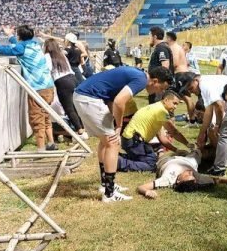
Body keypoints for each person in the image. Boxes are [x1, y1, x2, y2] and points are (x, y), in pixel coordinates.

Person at [73, 66, 173, 202]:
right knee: (113, 143)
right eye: (161, 88)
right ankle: (109, 194)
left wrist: (111, 122)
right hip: (89, 99)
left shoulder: (138, 75)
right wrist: (118, 126)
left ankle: (106, 185)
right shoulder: (141, 80)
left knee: (106, 142)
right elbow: (119, 102)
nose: (160, 92)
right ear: (155, 81)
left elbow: (111, 97)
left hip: (84, 96)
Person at [0, 24, 56, 151]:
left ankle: (41, 148)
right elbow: (19, 46)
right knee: (45, 115)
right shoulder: (36, 45)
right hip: (49, 86)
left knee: (36, 118)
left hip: (37, 88)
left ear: (20, 36)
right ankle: (51, 143)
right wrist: (10, 36)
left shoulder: (21, 48)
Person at [178, 73, 227, 160]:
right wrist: (201, 134)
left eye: (191, 88)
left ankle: (219, 168)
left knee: (224, 133)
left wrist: (218, 125)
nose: (191, 91)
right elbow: (209, 112)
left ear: (195, 80)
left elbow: (219, 106)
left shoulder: (205, 86)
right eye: (188, 90)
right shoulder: (204, 83)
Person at [118, 90, 190, 172]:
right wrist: (187, 144)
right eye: (174, 103)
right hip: (134, 141)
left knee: (151, 159)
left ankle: (118, 157)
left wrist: (176, 150)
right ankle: (119, 162)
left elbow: (162, 138)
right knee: (151, 164)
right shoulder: (162, 111)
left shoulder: (155, 108)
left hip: (129, 140)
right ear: (166, 100)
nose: (175, 107)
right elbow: (173, 131)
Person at [136, 147, 227, 198]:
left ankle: (161, 151)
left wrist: (147, 192)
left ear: (178, 181)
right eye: (191, 175)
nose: (191, 173)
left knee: (162, 156)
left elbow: (141, 187)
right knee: (200, 151)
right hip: (189, 161)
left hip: (166, 160)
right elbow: (220, 180)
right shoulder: (196, 177)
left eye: (187, 175)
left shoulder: (167, 180)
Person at [43, 38, 88, 140]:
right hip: (72, 78)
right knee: (75, 105)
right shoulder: (61, 54)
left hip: (62, 82)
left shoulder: (47, 56)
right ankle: (83, 127)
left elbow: (48, 69)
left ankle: (80, 131)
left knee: (68, 108)